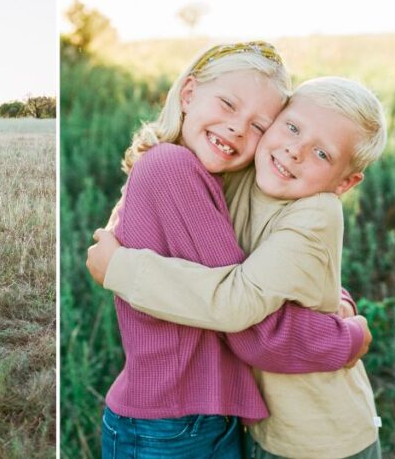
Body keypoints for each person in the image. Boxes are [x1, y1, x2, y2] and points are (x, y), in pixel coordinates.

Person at [91, 43, 372, 458]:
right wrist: (343, 337)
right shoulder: (173, 168)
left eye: (259, 125)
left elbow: (268, 263)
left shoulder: (224, 177)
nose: (239, 129)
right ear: (188, 94)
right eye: (227, 103)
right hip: (169, 427)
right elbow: (245, 320)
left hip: (208, 418)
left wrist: (334, 298)